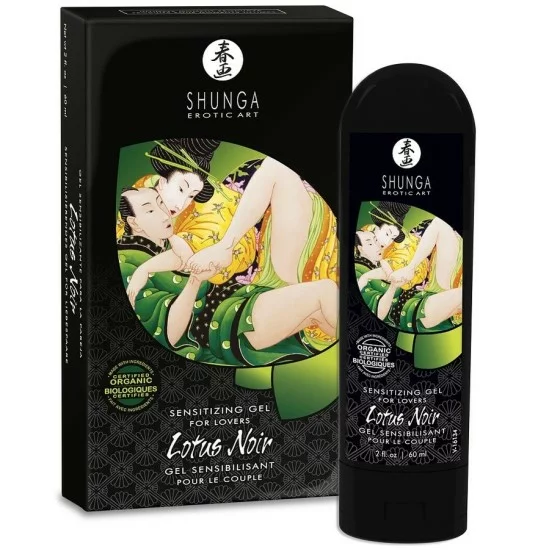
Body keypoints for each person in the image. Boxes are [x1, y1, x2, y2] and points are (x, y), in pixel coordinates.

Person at [118, 187, 338, 366]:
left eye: (161, 203)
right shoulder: (127, 261)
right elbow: (171, 335)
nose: (164, 213)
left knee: (320, 315)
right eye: (150, 210)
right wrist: (195, 280)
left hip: (236, 301)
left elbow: (185, 258)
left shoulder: (172, 243)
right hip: (222, 324)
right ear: (134, 222)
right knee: (325, 291)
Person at [354, 203, 462, 332]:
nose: (381, 243)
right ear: (360, 248)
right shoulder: (361, 266)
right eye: (370, 243)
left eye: (376, 240)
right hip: (413, 305)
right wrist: (384, 280)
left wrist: (407, 267)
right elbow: (378, 314)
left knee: (440, 223)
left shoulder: (394, 250)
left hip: (430, 278)